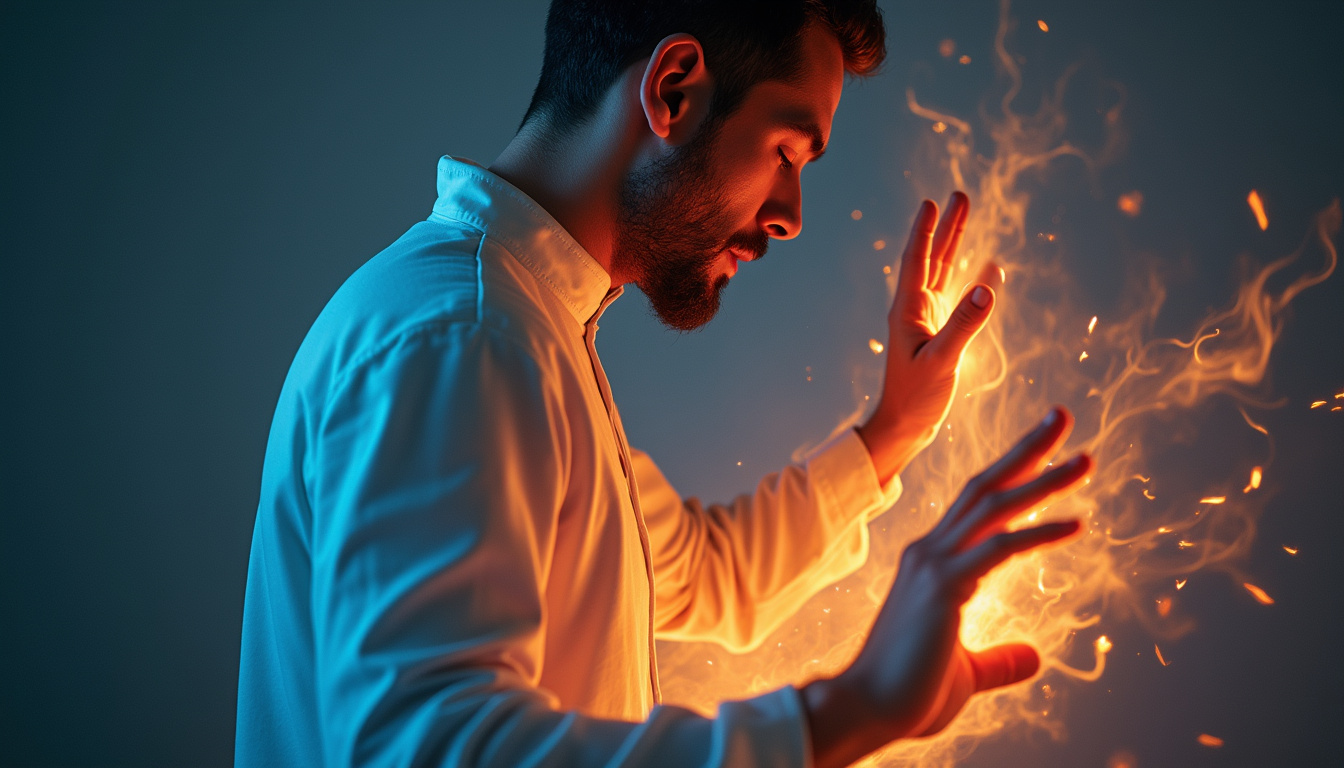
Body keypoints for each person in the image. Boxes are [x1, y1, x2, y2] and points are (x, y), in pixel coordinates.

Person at [235, 2, 1094, 766]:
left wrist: (892, 431)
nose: (790, 216)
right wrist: (854, 709)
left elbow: (703, 572)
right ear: (673, 90)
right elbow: (430, 748)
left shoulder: (526, 335)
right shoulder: (466, 339)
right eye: (786, 151)